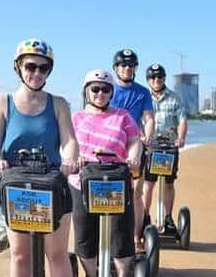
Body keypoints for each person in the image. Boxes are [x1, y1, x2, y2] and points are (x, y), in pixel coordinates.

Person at [0, 38, 79, 277]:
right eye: (30, 66)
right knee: (19, 255)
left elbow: (69, 140)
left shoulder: (58, 104)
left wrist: (69, 160)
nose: (36, 72)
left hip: (52, 183)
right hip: (17, 184)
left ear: (49, 70)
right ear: (18, 68)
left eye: (43, 67)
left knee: (57, 255)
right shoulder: (3, 102)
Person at [70, 69, 142, 277]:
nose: (100, 93)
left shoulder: (122, 116)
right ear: (86, 92)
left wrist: (134, 157)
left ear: (111, 92)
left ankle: (121, 273)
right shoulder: (77, 118)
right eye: (95, 89)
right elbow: (67, 144)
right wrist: (75, 159)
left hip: (117, 180)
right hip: (82, 181)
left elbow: (135, 140)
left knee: (121, 234)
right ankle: (91, 274)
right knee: (85, 234)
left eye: (105, 90)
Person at [109, 48, 155, 251]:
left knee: (136, 192)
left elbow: (148, 118)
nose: (127, 69)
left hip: (134, 147)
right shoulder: (106, 89)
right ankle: (109, 237)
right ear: (116, 68)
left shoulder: (142, 92)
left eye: (130, 65)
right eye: (122, 65)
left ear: (135, 68)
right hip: (110, 149)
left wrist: (148, 135)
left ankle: (136, 238)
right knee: (109, 192)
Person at [142, 63, 187, 236]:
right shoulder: (145, 98)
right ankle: (145, 216)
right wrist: (141, 136)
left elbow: (182, 120)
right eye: (153, 77)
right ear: (148, 80)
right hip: (151, 146)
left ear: (164, 78)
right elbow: (139, 120)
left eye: (159, 77)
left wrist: (181, 138)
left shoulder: (175, 98)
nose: (156, 80)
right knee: (149, 183)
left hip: (169, 146)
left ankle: (167, 218)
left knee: (169, 183)